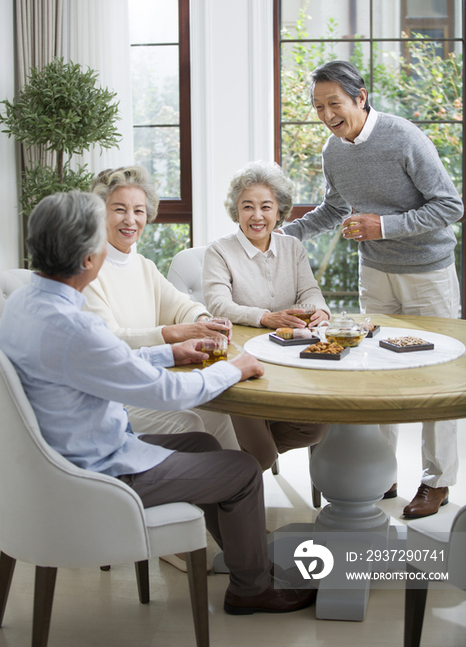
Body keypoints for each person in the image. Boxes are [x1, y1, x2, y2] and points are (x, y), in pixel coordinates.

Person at [0, 190, 317, 615]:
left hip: (51, 463)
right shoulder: (78, 327)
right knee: (241, 469)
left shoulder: (20, 304)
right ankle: (251, 588)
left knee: (206, 446)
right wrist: (236, 368)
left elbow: (98, 362)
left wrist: (170, 353)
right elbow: (166, 393)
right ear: (88, 259)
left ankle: (249, 565)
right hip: (99, 473)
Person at [282, 60, 464, 518]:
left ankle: (437, 482)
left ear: (360, 97)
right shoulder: (334, 150)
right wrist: (289, 234)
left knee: (434, 377)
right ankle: (381, 473)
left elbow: (449, 205)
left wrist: (383, 226)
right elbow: (333, 208)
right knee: (376, 370)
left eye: (334, 104)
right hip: (375, 273)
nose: (326, 114)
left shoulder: (403, 137)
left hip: (428, 271)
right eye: (318, 106)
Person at [82, 166, 239, 454]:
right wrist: (171, 333)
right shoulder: (88, 270)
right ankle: (214, 488)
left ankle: (228, 490)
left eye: (139, 211)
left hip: (149, 380)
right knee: (189, 422)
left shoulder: (143, 265)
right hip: (113, 395)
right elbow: (110, 340)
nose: (131, 220)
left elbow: (180, 306)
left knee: (218, 414)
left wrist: (205, 320)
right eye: (119, 209)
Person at [202, 160, 329, 470]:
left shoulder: (293, 247)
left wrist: (320, 309)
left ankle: (236, 462)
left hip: (291, 358)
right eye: (247, 207)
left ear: (279, 211)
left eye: (266, 207)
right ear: (236, 211)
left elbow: (309, 292)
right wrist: (265, 317)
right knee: (262, 455)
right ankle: (244, 469)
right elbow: (218, 305)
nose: (257, 216)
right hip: (239, 361)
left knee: (316, 426)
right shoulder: (219, 251)